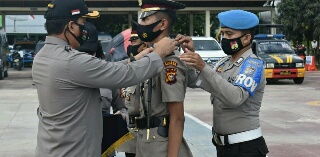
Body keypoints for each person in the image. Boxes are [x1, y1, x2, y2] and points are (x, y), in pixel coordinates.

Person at [32, 0, 179, 156]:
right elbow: (125, 74)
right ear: (71, 26)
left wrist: (136, 58)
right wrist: (158, 54)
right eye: (83, 23)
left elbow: (105, 69)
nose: (85, 30)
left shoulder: (43, 57)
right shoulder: (71, 61)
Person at [179, 10, 269, 157]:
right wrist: (191, 57)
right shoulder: (224, 63)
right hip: (224, 147)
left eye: (229, 34)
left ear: (246, 38)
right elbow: (196, 81)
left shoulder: (253, 65)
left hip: (246, 148)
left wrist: (203, 67)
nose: (224, 38)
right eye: (223, 34)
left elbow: (236, 97)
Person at [133, 0, 193, 156]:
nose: (140, 23)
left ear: (163, 24)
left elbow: (177, 117)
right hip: (146, 143)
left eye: (145, 19)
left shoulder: (169, 63)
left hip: (161, 146)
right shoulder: (150, 58)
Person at [76, 23, 127, 157]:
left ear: (95, 52)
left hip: (104, 145)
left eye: (89, 53)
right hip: (76, 144)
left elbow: (122, 108)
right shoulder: (65, 77)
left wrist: (121, 115)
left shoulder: (108, 78)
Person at [116, 21, 148, 157]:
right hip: (131, 136)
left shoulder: (148, 71)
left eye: (134, 42)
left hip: (147, 137)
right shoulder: (130, 70)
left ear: (144, 46)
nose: (130, 46)